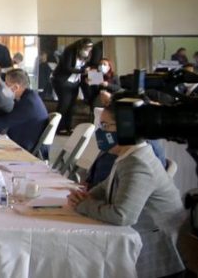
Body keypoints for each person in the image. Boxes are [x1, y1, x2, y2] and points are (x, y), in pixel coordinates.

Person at [67, 106, 185, 278]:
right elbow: (106, 186)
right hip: (139, 238)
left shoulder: (138, 163)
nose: (100, 132)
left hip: (157, 256)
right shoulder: (130, 155)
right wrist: (87, 196)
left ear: (126, 128)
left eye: (105, 125)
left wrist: (83, 205)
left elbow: (122, 215)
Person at [0, 69, 48, 153]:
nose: (4, 88)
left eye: (6, 84)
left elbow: (0, 125)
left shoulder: (28, 104)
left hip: (26, 148)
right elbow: (9, 116)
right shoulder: (29, 97)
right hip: (25, 141)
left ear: (15, 87)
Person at [53, 37, 94, 134]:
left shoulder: (87, 54)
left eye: (89, 49)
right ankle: (57, 128)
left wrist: (87, 72)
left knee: (71, 105)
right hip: (62, 81)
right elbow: (67, 68)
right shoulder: (69, 51)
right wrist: (82, 71)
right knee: (64, 105)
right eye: (86, 48)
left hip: (75, 82)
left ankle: (68, 127)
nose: (88, 51)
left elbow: (85, 67)